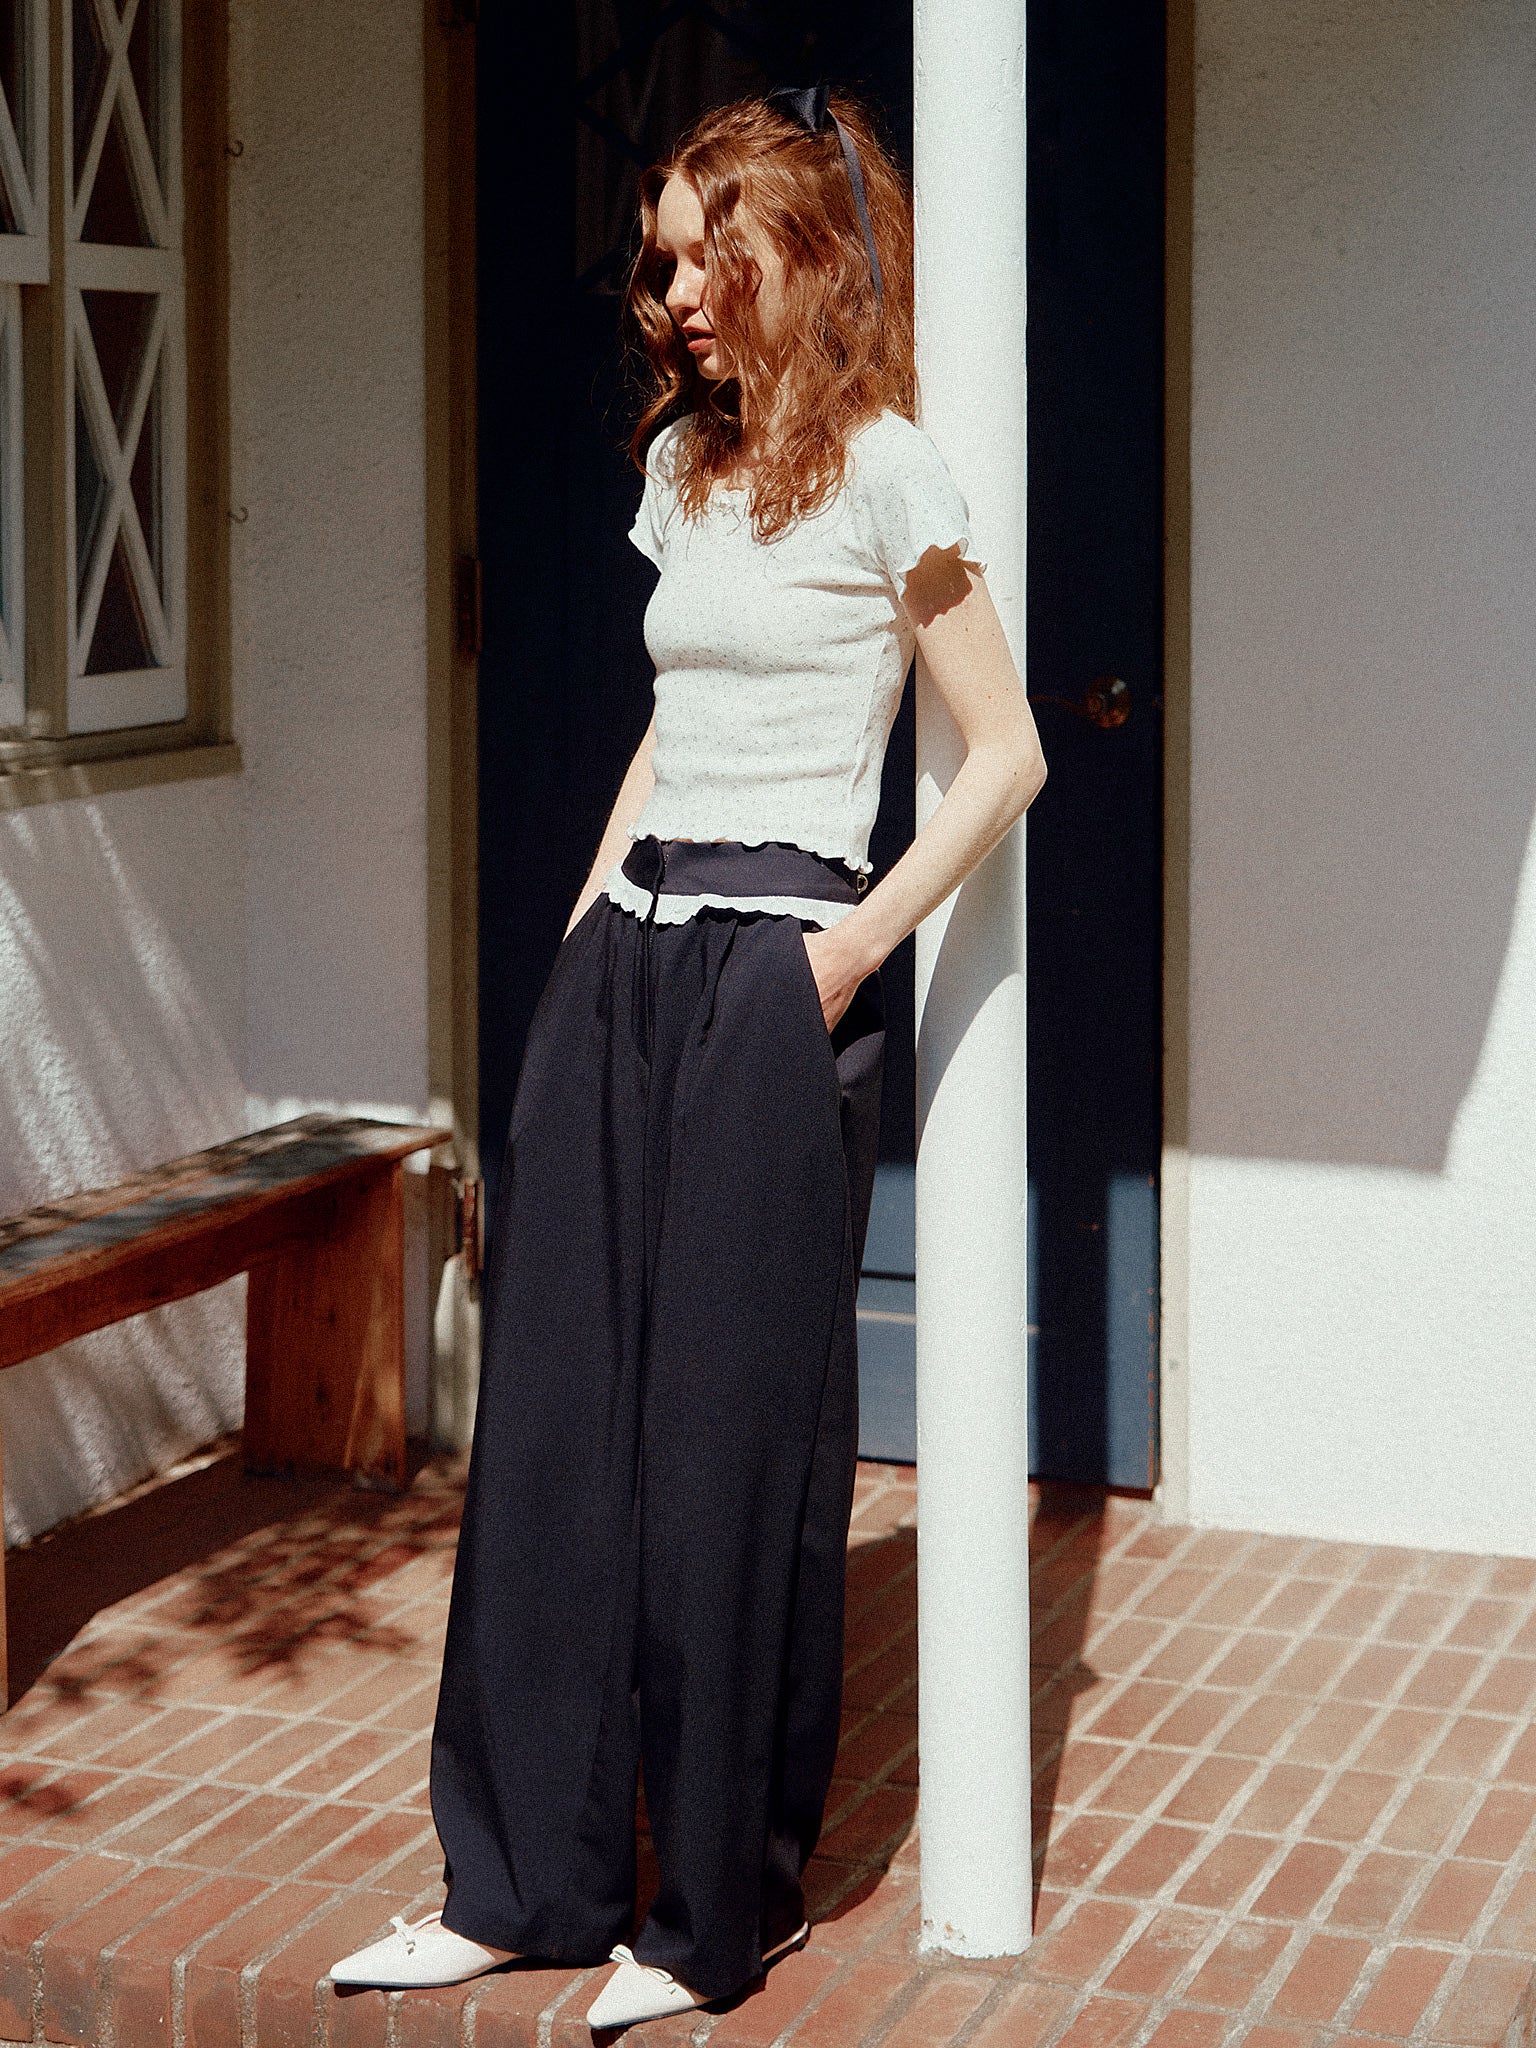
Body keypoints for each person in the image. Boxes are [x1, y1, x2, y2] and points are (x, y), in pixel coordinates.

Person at [330, 86, 1045, 2028]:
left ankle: (711, 1909)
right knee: (553, 1431)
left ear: (803, 255)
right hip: (627, 956)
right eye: (659, 265)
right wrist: (580, 935)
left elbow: (1006, 757)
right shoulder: (685, 465)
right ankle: (517, 1881)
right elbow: (670, 726)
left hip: (773, 968)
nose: (676, 299)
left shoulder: (891, 472)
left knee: (725, 1452)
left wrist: (841, 959)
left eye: (705, 259)